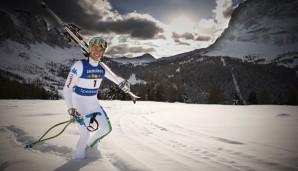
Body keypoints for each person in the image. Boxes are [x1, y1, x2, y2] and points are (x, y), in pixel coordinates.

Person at [63, 36, 132, 160]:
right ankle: (78, 162)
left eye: (101, 50)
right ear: (89, 49)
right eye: (95, 48)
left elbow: (116, 79)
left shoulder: (102, 69)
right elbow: (67, 89)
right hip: (79, 105)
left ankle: (89, 146)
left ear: (103, 52)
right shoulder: (79, 65)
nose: (97, 52)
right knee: (85, 134)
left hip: (93, 104)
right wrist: (71, 109)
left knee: (106, 129)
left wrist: (124, 84)